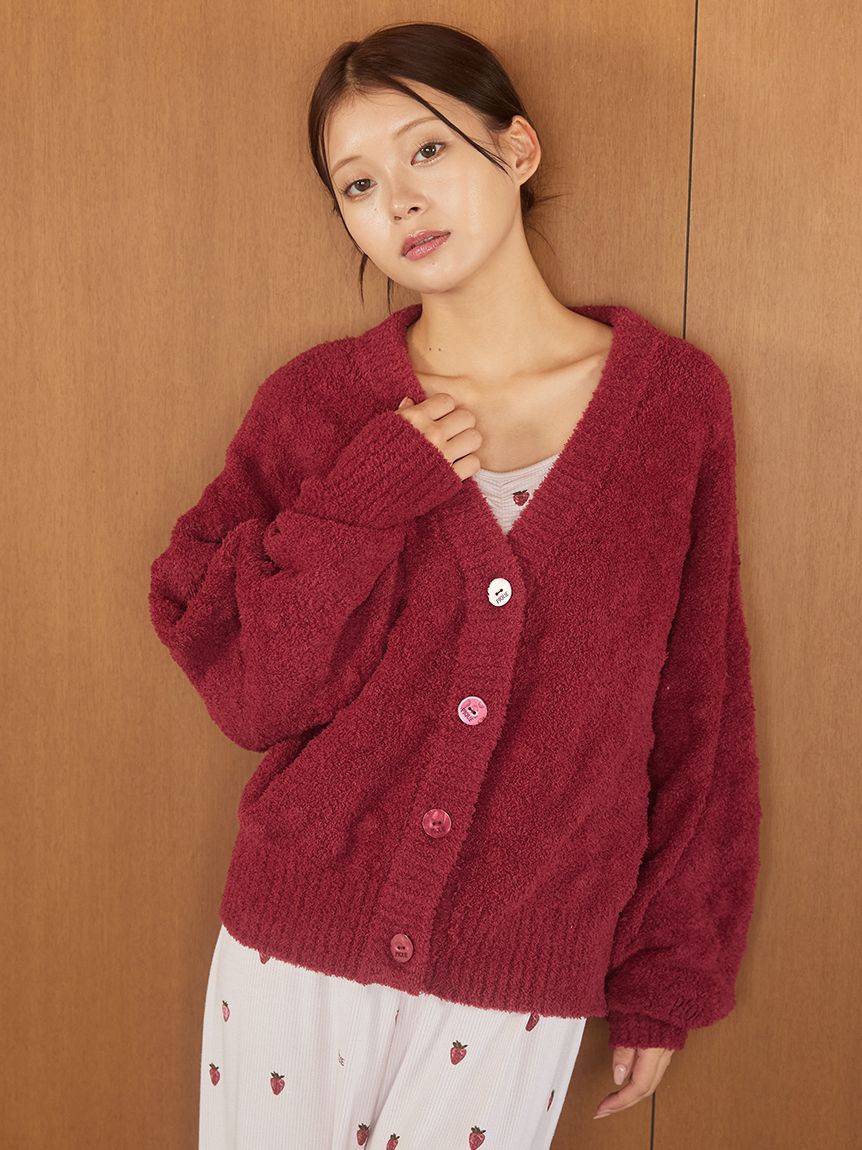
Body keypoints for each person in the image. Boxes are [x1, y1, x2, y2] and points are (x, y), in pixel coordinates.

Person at [148, 20, 762, 1150]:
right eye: (358, 183)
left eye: (427, 150)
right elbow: (250, 694)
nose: (400, 200)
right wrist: (357, 505)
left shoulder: (673, 406)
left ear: (516, 148)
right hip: (293, 955)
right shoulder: (318, 407)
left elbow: (699, 705)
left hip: (519, 972)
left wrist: (668, 971)